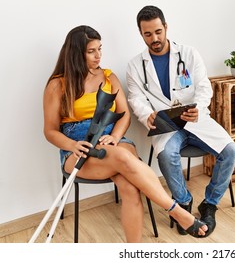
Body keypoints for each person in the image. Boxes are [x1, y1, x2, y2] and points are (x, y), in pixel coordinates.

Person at [43, 25, 208, 242]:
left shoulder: (109, 77)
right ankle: (176, 211)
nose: (98, 55)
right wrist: (72, 145)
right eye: (91, 51)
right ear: (75, 53)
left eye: (100, 49)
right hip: (78, 149)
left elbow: (124, 115)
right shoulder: (58, 85)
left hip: (113, 137)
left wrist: (115, 137)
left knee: (130, 187)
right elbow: (50, 131)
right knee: (124, 158)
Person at [126, 5, 235, 237]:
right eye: (147, 34)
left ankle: (209, 204)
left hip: (195, 118)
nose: (154, 38)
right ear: (141, 34)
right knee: (167, 154)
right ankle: (183, 203)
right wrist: (145, 113)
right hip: (166, 125)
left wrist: (198, 108)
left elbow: (204, 86)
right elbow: (135, 97)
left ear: (166, 27)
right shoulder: (135, 65)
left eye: (158, 31)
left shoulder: (188, 54)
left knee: (231, 151)